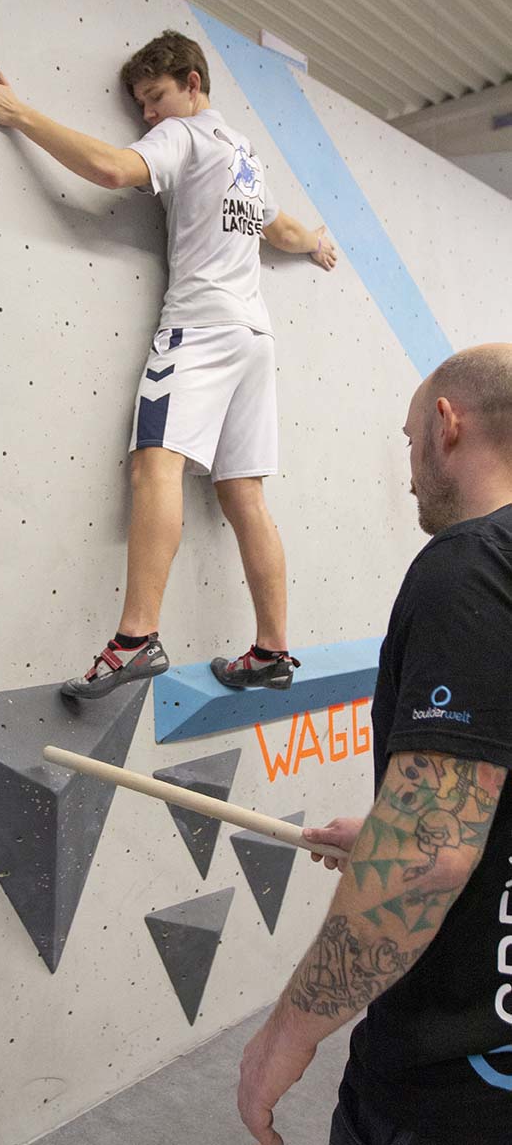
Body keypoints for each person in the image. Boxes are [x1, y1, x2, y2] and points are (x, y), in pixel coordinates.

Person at [0, 32, 336, 699]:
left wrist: (20, 115)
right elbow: (282, 232)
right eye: (139, 105)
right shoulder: (243, 153)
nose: (148, 116)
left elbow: (108, 170)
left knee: (154, 462)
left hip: (200, 326)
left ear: (192, 82)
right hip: (254, 337)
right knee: (242, 492)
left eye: (155, 97)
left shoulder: (183, 137)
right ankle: (272, 651)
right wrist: (316, 247)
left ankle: (135, 639)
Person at [237, 343, 512, 1145]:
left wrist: (283, 1037)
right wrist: (396, 829)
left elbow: (429, 860)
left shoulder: (468, 571)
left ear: (445, 424)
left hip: (455, 1082)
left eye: (406, 443)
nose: (409, 472)